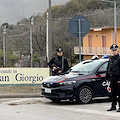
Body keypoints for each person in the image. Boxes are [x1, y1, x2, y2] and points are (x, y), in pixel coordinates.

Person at [106, 44, 120, 112]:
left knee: (119, 93)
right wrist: (107, 78)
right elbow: (108, 68)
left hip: (118, 78)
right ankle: (113, 106)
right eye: (113, 50)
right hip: (112, 78)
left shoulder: (119, 59)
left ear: (118, 50)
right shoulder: (111, 59)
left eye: (115, 50)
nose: (114, 51)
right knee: (113, 93)